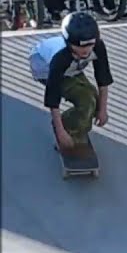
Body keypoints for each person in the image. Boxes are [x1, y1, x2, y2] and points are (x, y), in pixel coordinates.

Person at [29, 11, 114, 152]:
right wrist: (60, 131)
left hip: (71, 67)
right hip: (43, 66)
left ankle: (77, 124)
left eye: (89, 46)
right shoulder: (60, 57)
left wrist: (103, 110)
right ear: (69, 44)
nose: (85, 51)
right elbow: (52, 96)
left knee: (94, 100)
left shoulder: (97, 46)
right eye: (79, 48)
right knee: (87, 102)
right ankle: (68, 128)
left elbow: (103, 79)